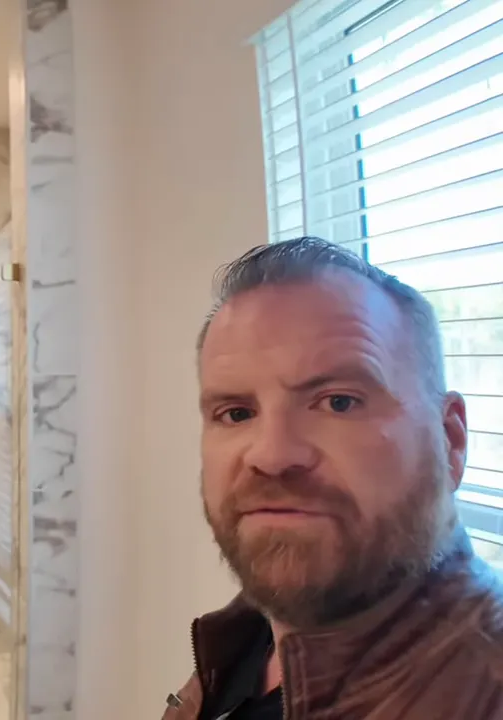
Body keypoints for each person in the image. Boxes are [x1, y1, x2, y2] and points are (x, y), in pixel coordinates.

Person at [164, 237, 503, 720]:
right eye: (237, 413)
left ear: (450, 439)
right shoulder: (246, 639)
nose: (272, 455)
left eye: (339, 402)